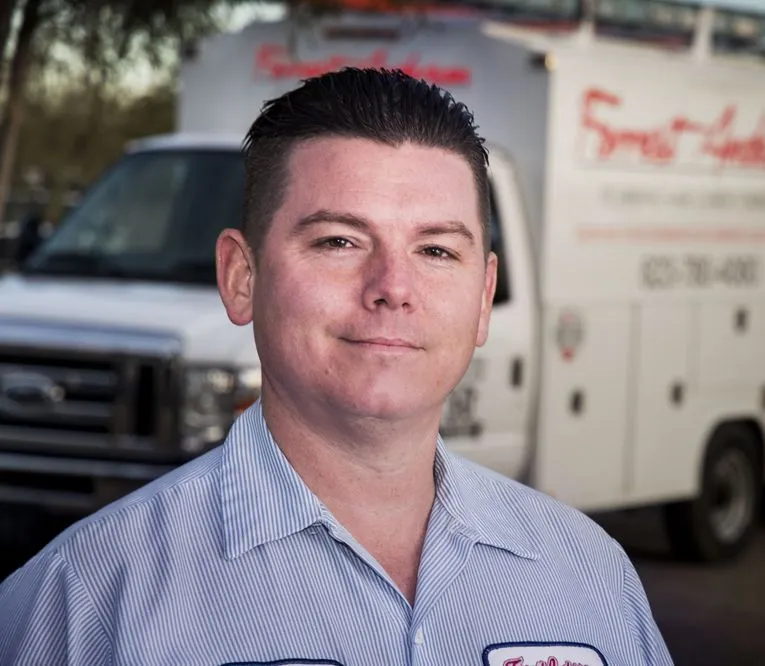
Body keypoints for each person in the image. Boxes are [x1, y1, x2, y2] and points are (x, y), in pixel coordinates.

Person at [0, 68, 674, 666]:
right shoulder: (85, 601)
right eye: (340, 240)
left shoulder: (589, 576)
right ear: (241, 277)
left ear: (483, 297)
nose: (392, 286)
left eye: (437, 251)